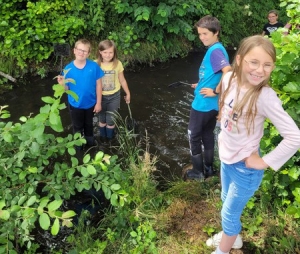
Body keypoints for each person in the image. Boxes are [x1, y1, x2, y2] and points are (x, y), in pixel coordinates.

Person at [206, 35, 300, 254]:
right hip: (227, 159)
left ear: (273, 67)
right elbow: (225, 96)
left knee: (228, 214)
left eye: (267, 65)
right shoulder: (229, 79)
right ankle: (234, 238)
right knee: (224, 201)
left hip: (245, 169)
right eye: (254, 62)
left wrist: (264, 161)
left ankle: (223, 250)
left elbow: (294, 137)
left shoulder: (265, 97)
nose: (260, 70)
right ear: (239, 60)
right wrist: (222, 114)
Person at [184, 15, 231, 181]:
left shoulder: (215, 51)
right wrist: (203, 83)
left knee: (193, 135)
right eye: (200, 34)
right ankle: (208, 169)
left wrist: (216, 91)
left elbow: (229, 72)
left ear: (216, 32)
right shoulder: (218, 48)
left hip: (203, 104)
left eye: (205, 33)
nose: (202, 37)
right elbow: (215, 74)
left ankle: (198, 172)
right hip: (213, 105)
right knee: (207, 134)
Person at [57, 39, 104, 148]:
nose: (81, 53)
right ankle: (78, 146)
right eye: (79, 50)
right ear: (74, 51)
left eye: (85, 51)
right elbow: (66, 89)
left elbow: (99, 85)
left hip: (91, 104)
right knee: (77, 126)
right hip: (75, 104)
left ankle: (90, 144)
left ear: (88, 53)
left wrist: (98, 103)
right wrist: (62, 84)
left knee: (89, 125)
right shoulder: (67, 69)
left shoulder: (94, 66)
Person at [95, 39, 131, 142]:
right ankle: (103, 138)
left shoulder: (118, 64)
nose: (108, 55)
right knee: (102, 119)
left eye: (110, 52)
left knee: (111, 120)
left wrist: (128, 93)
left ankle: (110, 139)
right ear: (100, 52)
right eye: (105, 52)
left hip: (114, 96)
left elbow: (122, 80)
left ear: (114, 52)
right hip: (100, 97)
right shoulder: (95, 64)